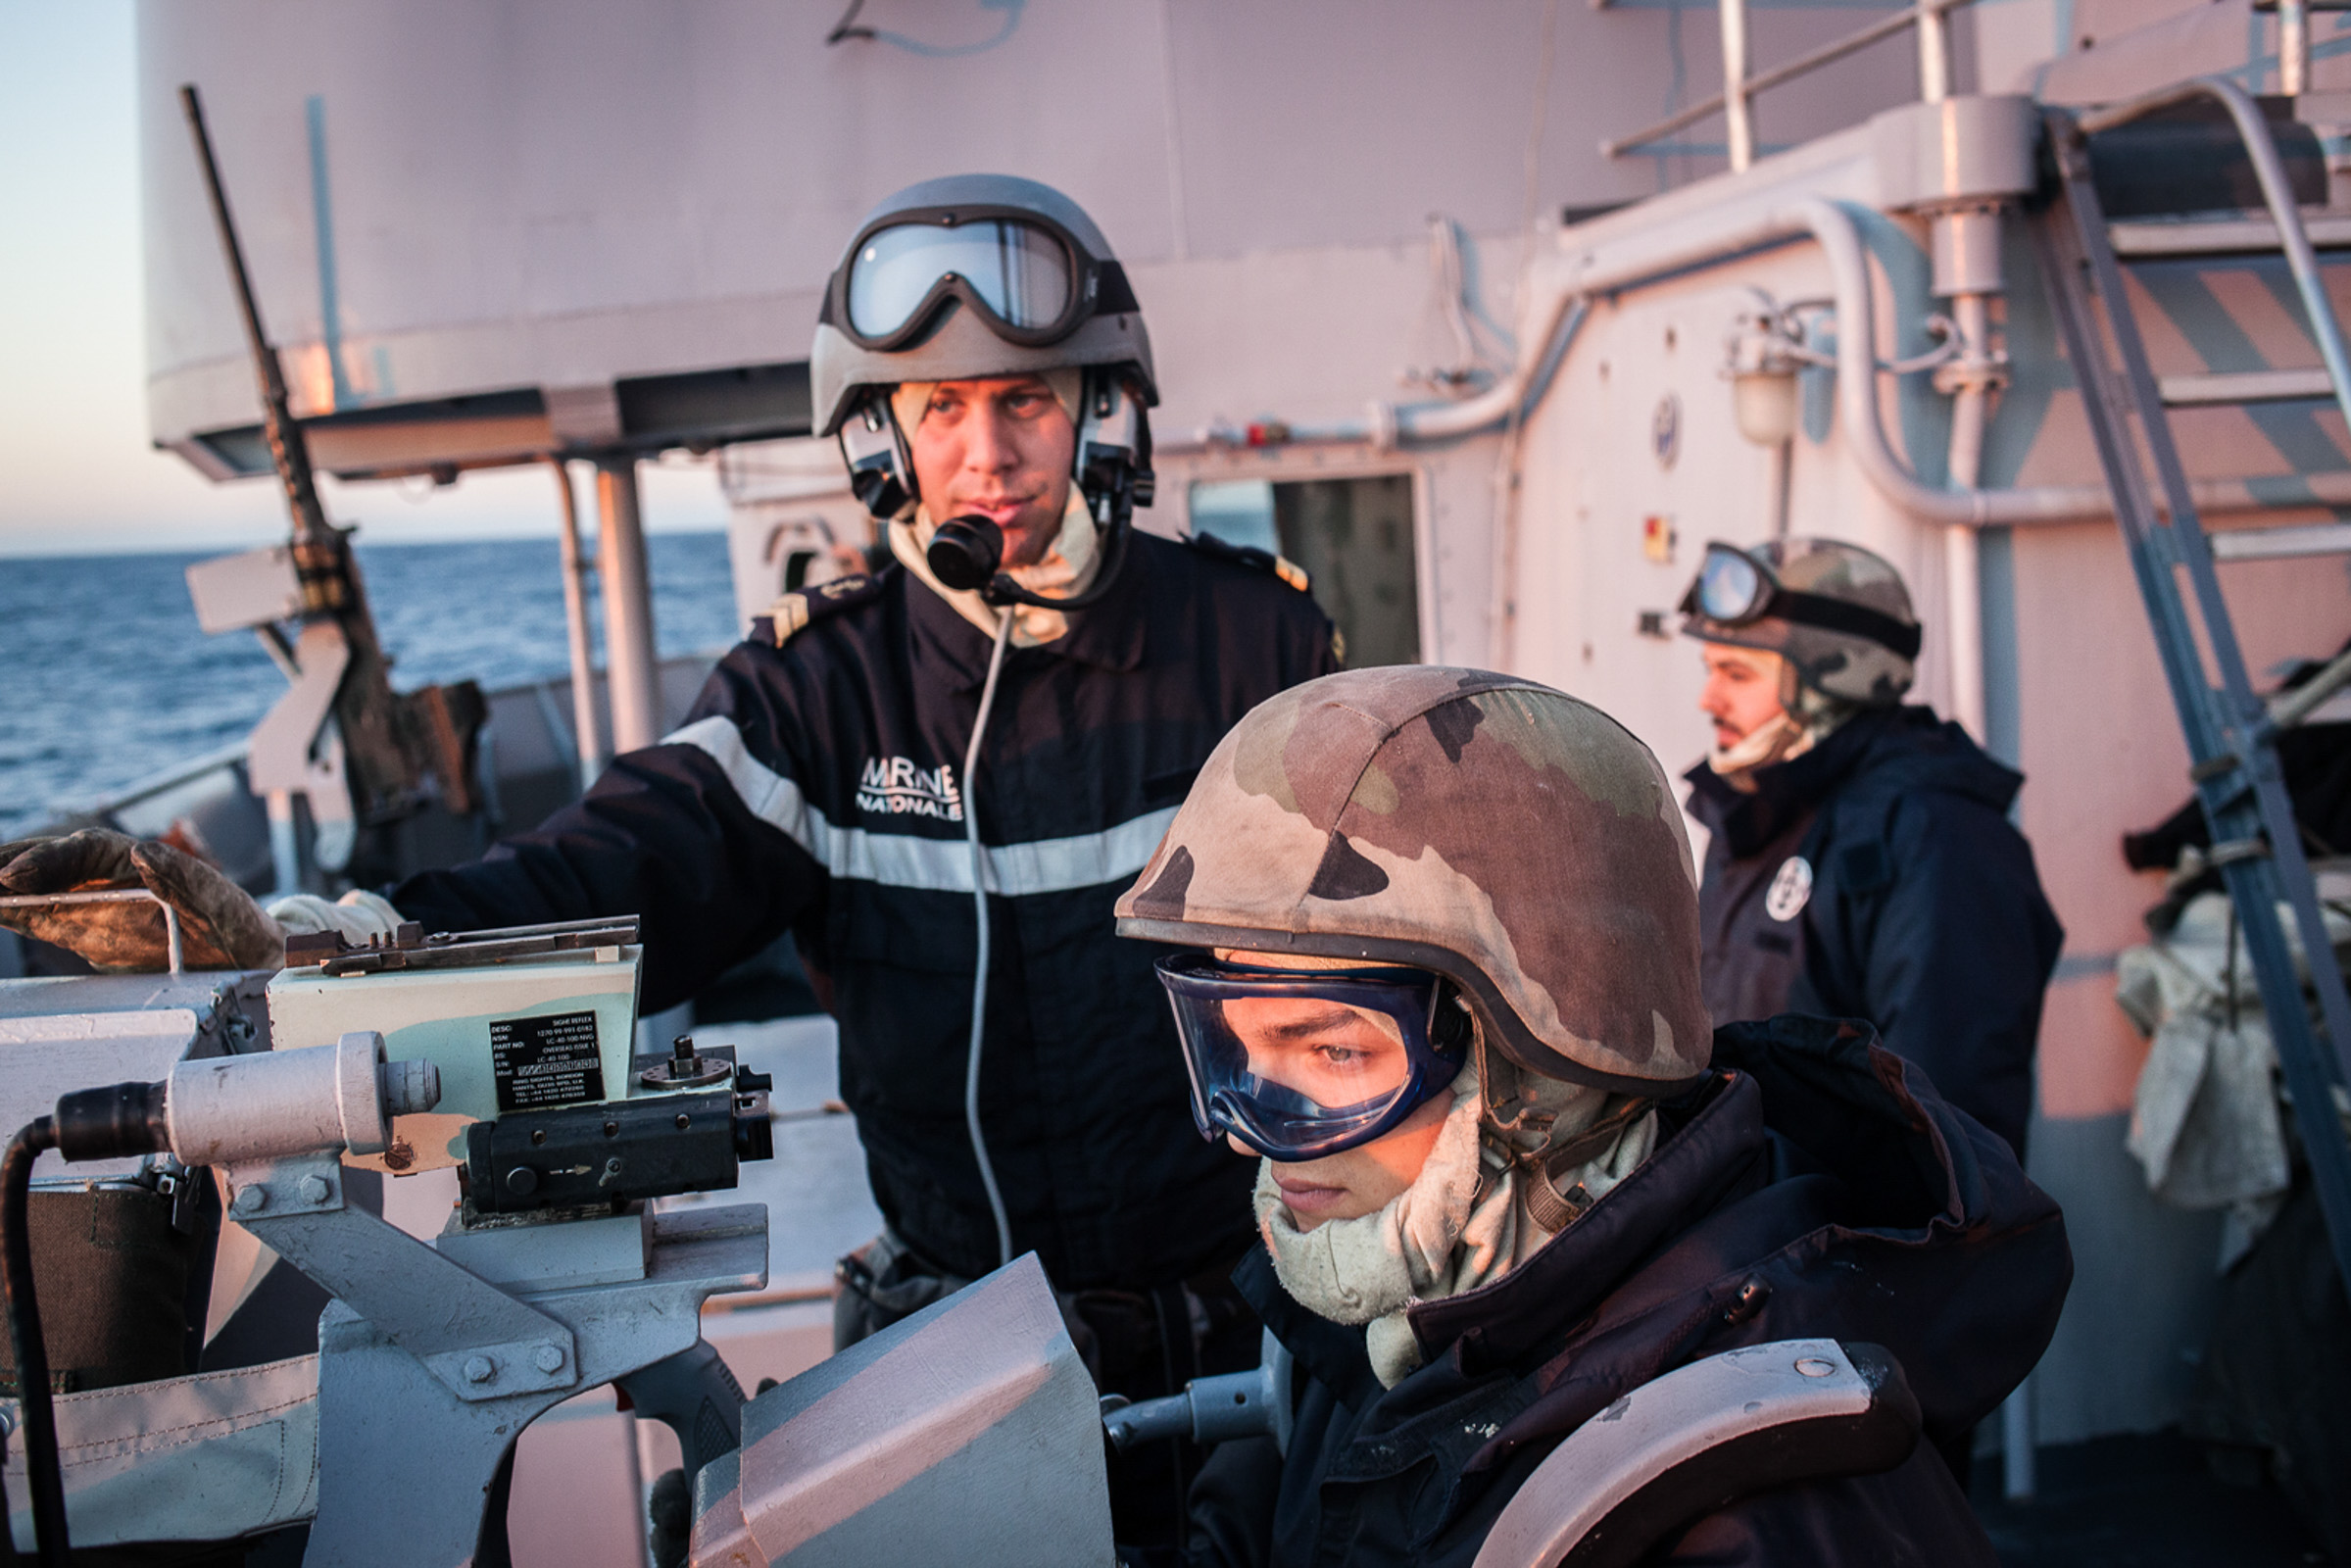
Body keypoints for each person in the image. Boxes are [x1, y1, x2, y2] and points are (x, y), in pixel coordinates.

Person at [0, 174, 1339, 1544]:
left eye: (1023, 400)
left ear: (1096, 411)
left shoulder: (1253, 648)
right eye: (941, 408)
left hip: (1249, 1329)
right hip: (948, 1344)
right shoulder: (819, 691)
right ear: (884, 442)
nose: (985, 452)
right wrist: (322, 945)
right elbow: (612, 863)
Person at [1110, 664, 2072, 1566]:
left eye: (1330, 1050)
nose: (1243, 1126)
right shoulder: (1392, 1310)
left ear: (1538, 1079)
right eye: (1229, 1047)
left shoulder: (1754, 1501)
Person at [1676, 536, 2062, 1162]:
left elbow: (1947, 1137)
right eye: (1710, 670)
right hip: (1741, 1232)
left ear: (1833, 676)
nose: (1708, 699)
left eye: (1737, 674)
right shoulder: (1751, 815)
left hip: (1836, 1249)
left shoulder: (1939, 841)